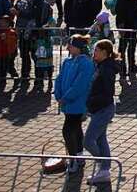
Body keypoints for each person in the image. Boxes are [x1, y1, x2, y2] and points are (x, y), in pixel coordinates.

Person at [54, 34, 95, 176]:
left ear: (78, 47)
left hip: (77, 103)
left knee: (67, 130)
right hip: (67, 103)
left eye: (70, 45)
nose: (68, 48)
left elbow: (80, 85)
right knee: (76, 129)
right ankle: (79, 155)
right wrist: (58, 94)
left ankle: (73, 160)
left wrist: (65, 98)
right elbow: (59, 79)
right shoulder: (67, 62)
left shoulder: (86, 63)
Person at [83, 39, 118, 185]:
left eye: (96, 50)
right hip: (100, 108)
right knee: (100, 139)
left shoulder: (106, 69)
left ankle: (104, 166)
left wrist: (92, 100)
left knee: (88, 141)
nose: (93, 52)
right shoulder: (100, 65)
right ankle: (104, 171)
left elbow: (108, 92)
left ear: (104, 52)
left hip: (103, 109)